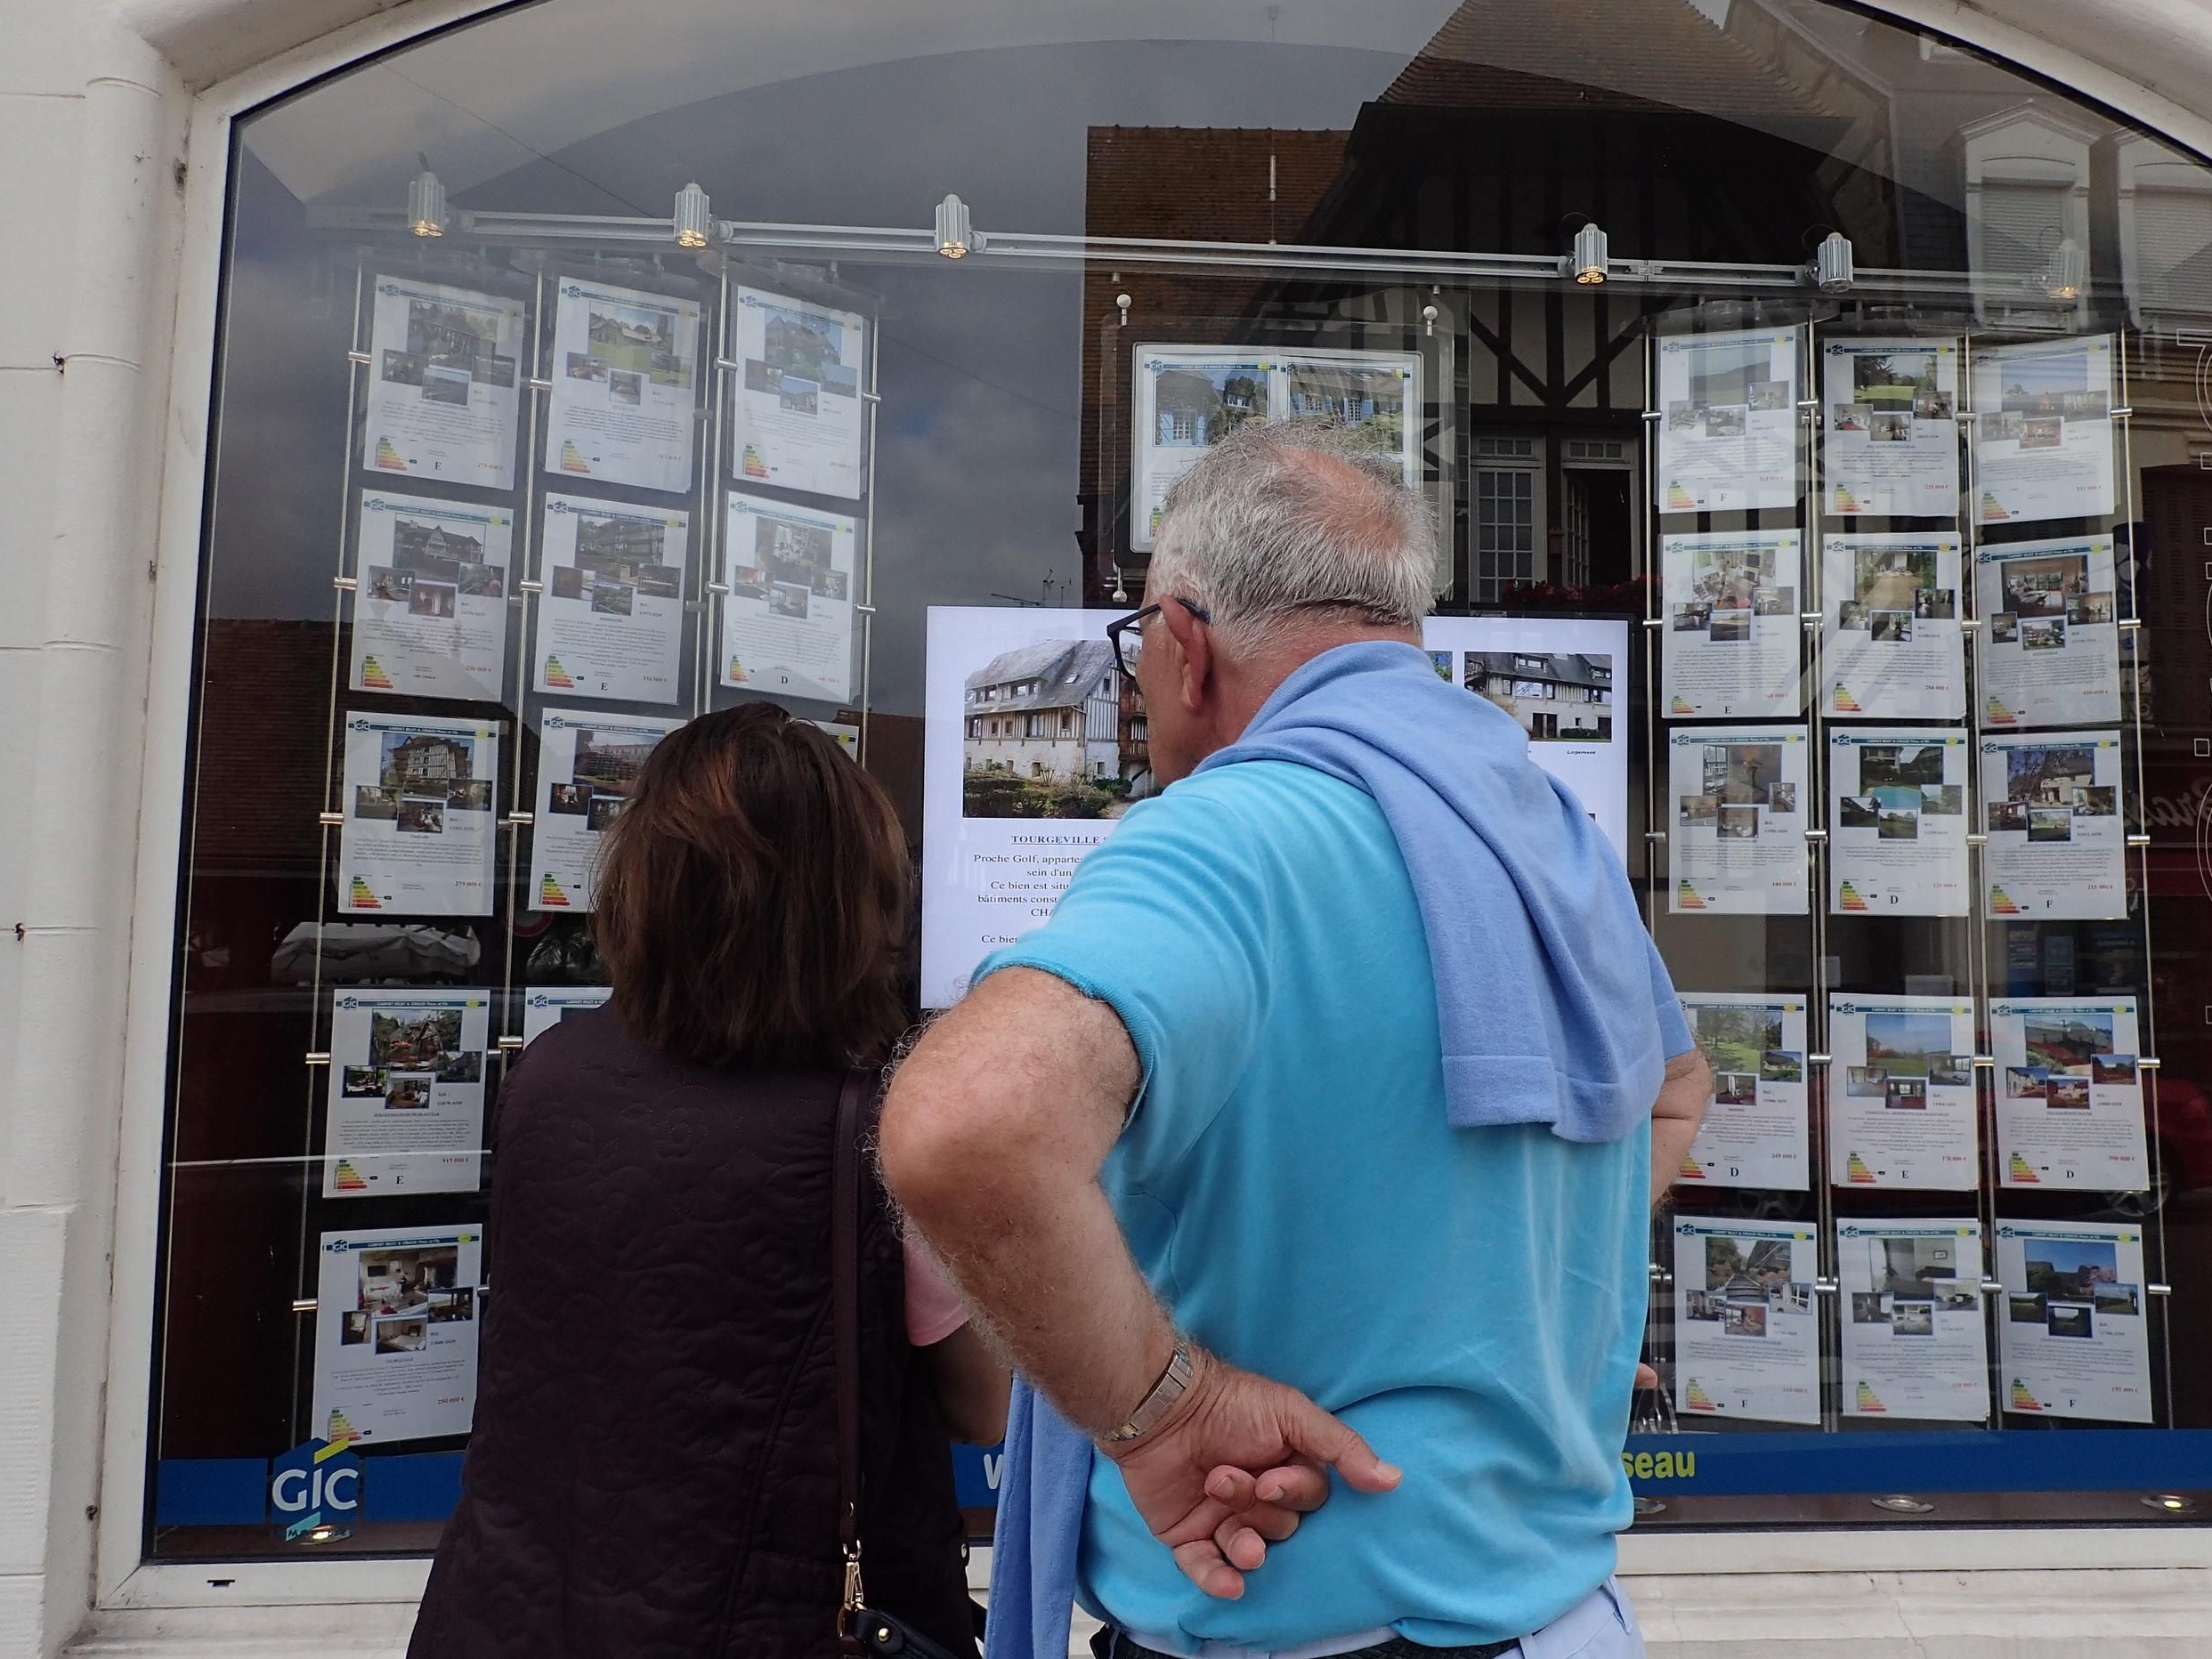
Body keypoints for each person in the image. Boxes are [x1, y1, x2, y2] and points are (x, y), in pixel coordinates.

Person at [882, 424, 1710, 1659]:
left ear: (1181, 642)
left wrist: (1167, 1409)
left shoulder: (1223, 838)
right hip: (1559, 1615)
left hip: (1289, 1614)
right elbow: (1677, 1087)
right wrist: (1531, 1300)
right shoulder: (1545, 831)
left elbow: (966, 1127)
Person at [411, 705, 1008, 1659]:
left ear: (647, 883)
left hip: (520, 1611)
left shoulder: (552, 1077)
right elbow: (988, 1406)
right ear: (851, 899)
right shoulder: (885, 1132)